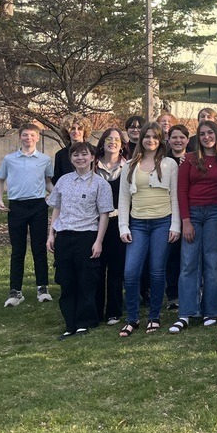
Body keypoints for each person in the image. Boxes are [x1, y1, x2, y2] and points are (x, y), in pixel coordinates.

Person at [117, 122, 180, 336]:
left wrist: (176, 225)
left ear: (160, 140)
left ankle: (154, 316)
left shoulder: (170, 164)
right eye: (147, 136)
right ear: (141, 139)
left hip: (163, 222)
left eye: (155, 137)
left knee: (156, 270)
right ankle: (132, 318)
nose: (150, 140)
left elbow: (175, 196)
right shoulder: (130, 165)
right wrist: (123, 226)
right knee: (131, 271)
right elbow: (124, 198)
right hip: (137, 224)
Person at [46, 141, 112, 339]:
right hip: (64, 236)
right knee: (66, 281)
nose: (80, 158)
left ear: (92, 158)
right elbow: (57, 208)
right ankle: (70, 323)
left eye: (84, 154)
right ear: (71, 159)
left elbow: (104, 214)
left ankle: (85, 322)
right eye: (76, 155)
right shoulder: (64, 181)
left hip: (87, 236)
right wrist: (51, 234)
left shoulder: (101, 184)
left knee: (86, 281)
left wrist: (98, 241)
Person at [170, 120, 217, 333]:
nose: (206, 137)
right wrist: (185, 220)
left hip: (216, 212)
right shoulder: (190, 159)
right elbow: (181, 190)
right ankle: (186, 312)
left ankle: (211, 310)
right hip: (193, 213)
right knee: (188, 262)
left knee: (214, 261)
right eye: (202, 133)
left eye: (210, 133)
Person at [0, 123, 55, 307]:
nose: (28, 138)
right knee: (18, 250)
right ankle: (15, 292)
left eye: (32, 135)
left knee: (39, 249)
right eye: (25, 135)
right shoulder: (9, 159)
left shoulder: (45, 159)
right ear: (20, 137)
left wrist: (57, 197)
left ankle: (42, 288)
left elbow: (47, 182)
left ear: (37, 138)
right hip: (17, 207)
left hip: (38, 206)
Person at [94, 128, 127, 325]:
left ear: (122, 145)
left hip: (119, 223)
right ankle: (97, 310)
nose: (112, 142)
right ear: (102, 143)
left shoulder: (129, 166)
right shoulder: (92, 167)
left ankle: (114, 311)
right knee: (97, 267)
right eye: (108, 139)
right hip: (95, 223)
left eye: (116, 139)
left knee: (116, 268)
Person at [164, 124, 191, 310]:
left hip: (191, 210)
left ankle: (192, 290)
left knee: (189, 254)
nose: (178, 140)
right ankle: (173, 294)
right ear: (168, 140)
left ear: (188, 140)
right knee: (172, 255)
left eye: (182, 137)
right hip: (169, 211)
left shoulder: (193, 159)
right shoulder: (163, 161)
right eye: (174, 137)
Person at [52, 116, 91, 183]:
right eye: (73, 128)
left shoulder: (93, 151)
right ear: (67, 131)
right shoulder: (60, 155)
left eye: (80, 129)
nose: (76, 131)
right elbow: (57, 180)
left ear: (85, 131)